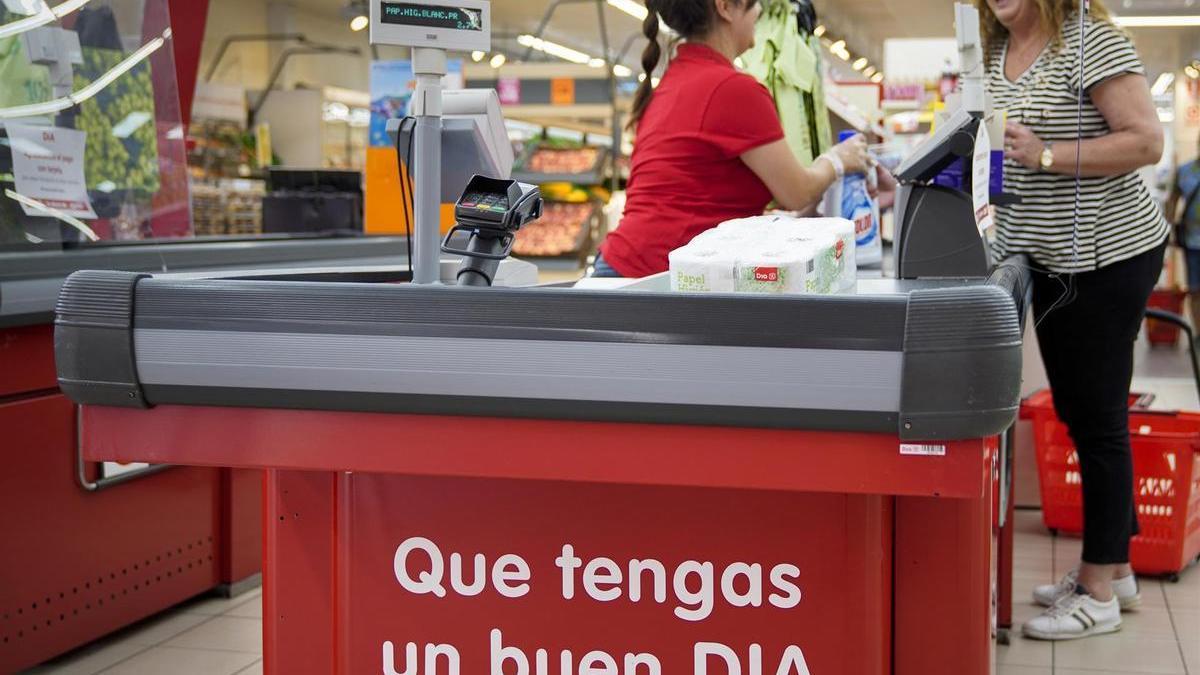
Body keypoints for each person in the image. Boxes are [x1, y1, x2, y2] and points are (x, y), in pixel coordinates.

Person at [978, 0, 1168, 641]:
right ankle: (1113, 573)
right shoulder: (999, 52)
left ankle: (1098, 592)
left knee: (1098, 422)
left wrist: (1049, 155)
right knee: (1083, 415)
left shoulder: (1087, 41)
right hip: (1053, 259)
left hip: (1108, 254)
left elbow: (1146, 140)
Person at [592, 0, 873, 279]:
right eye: (753, 5)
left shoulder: (673, 82)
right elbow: (797, 192)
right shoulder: (734, 89)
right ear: (725, 7)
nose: (760, 12)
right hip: (650, 279)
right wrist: (838, 159)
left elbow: (699, 198)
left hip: (625, 270)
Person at [1166, 139, 1200, 330]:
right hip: (1192, 241)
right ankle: (1198, 334)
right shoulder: (1185, 171)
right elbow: (1172, 200)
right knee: (1195, 290)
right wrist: (1168, 230)